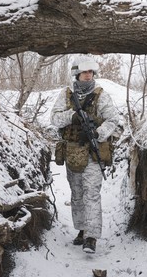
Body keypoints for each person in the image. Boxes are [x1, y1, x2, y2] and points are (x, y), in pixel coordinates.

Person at [50, 57, 119, 254]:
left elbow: (112, 120)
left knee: (92, 194)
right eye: (84, 72)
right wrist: (70, 117)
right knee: (77, 194)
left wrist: (98, 133)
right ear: (77, 74)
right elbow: (54, 118)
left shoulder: (101, 95)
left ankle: (91, 237)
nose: (88, 75)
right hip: (73, 152)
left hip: (92, 152)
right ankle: (81, 230)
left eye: (91, 72)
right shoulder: (66, 95)